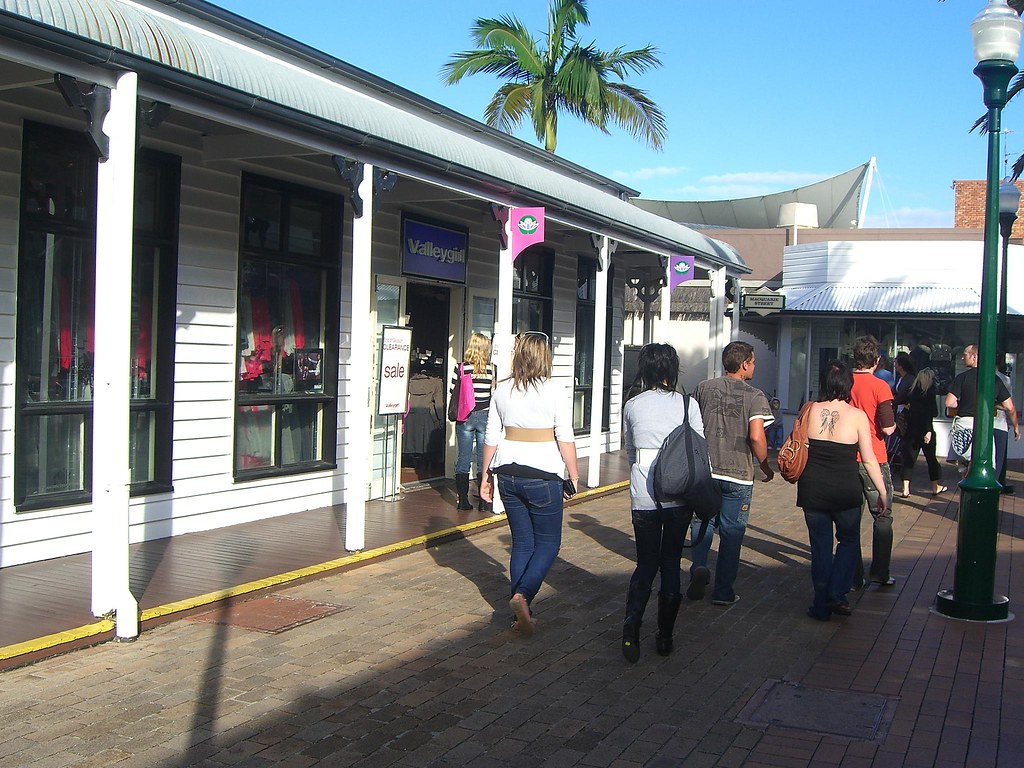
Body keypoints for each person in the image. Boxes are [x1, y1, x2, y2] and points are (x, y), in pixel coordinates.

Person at [480, 332, 579, 636]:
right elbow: (564, 436)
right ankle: (523, 595)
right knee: (548, 543)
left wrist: (485, 476)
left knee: (522, 543)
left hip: (507, 473)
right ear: (544, 357)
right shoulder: (554, 390)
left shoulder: (502, 391)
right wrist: (573, 475)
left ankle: (520, 613)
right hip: (543, 474)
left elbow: (491, 436)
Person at [620, 343, 705, 662]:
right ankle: (665, 636)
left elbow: (630, 450)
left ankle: (631, 627)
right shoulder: (687, 405)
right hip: (678, 492)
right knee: (670, 562)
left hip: (643, 494)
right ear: (673, 370)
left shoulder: (633, 404)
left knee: (645, 562)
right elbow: (699, 449)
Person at [688, 341, 775, 607]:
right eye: (754, 361)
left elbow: (691, 424)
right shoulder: (755, 395)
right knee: (732, 532)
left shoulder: (703, 388)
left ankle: (699, 567)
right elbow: (757, 436)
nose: (754, 366)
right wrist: (765, 465)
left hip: (707, 470)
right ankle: (723, 591)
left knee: (702, 523)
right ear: (745, 364)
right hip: (738, 473)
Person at [799, 360, 887, 620]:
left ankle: (820, 603)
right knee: (848, 541)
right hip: (846, 488)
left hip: (813, 487)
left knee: (821, 547)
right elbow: (869, 459)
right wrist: (881, 491)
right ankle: (837, 593)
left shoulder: (809, 410)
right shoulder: (857, 416)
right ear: (848, 384)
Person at [849, 335, 897, 588]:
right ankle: (879, 571)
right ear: (876, 360)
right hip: (874, 456)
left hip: (846, 456)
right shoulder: (880, 387)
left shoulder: (844, 383)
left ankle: (853, 574)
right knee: (883, 514)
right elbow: (888, 427)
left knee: (850, 518)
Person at [945, 345, 1018, 479]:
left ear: (974, 357)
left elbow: (949, 402)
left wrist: (962, 404)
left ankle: (964, 497)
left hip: (964, 424)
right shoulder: (994, 379)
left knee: (964, 468)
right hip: (984, 427)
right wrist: (993, 405)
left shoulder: (962, 377)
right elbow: (1009, 406)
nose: (962, 357)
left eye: (965, 354)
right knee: (985, 464)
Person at [451, 332, 496, 512]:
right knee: (483, 460)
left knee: (463, 459)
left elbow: (453, 392)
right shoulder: (492, 368)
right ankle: (484, 501)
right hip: (485, 416)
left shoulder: (460, 367)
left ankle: (463, 500)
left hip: (466, 416)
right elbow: (494, 394)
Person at [897, 368, 947, 497]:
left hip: (911, 429)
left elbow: (898, 400)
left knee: (909, 459)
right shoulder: (929, 393)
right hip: (925, 430)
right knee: (931, 459)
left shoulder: (912, 392)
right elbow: (932, 413)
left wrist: (909, 406)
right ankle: (935, 486)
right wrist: (929, 431)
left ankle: (905, 488)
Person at [994, 363, 1020, 494]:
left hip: (994, 423)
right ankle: (995, 487)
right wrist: (1016, 427)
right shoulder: (1004, 379)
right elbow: (1010, 407)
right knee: (998, 459)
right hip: (998, 425)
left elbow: (1009, 406)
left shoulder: (1002, 380)